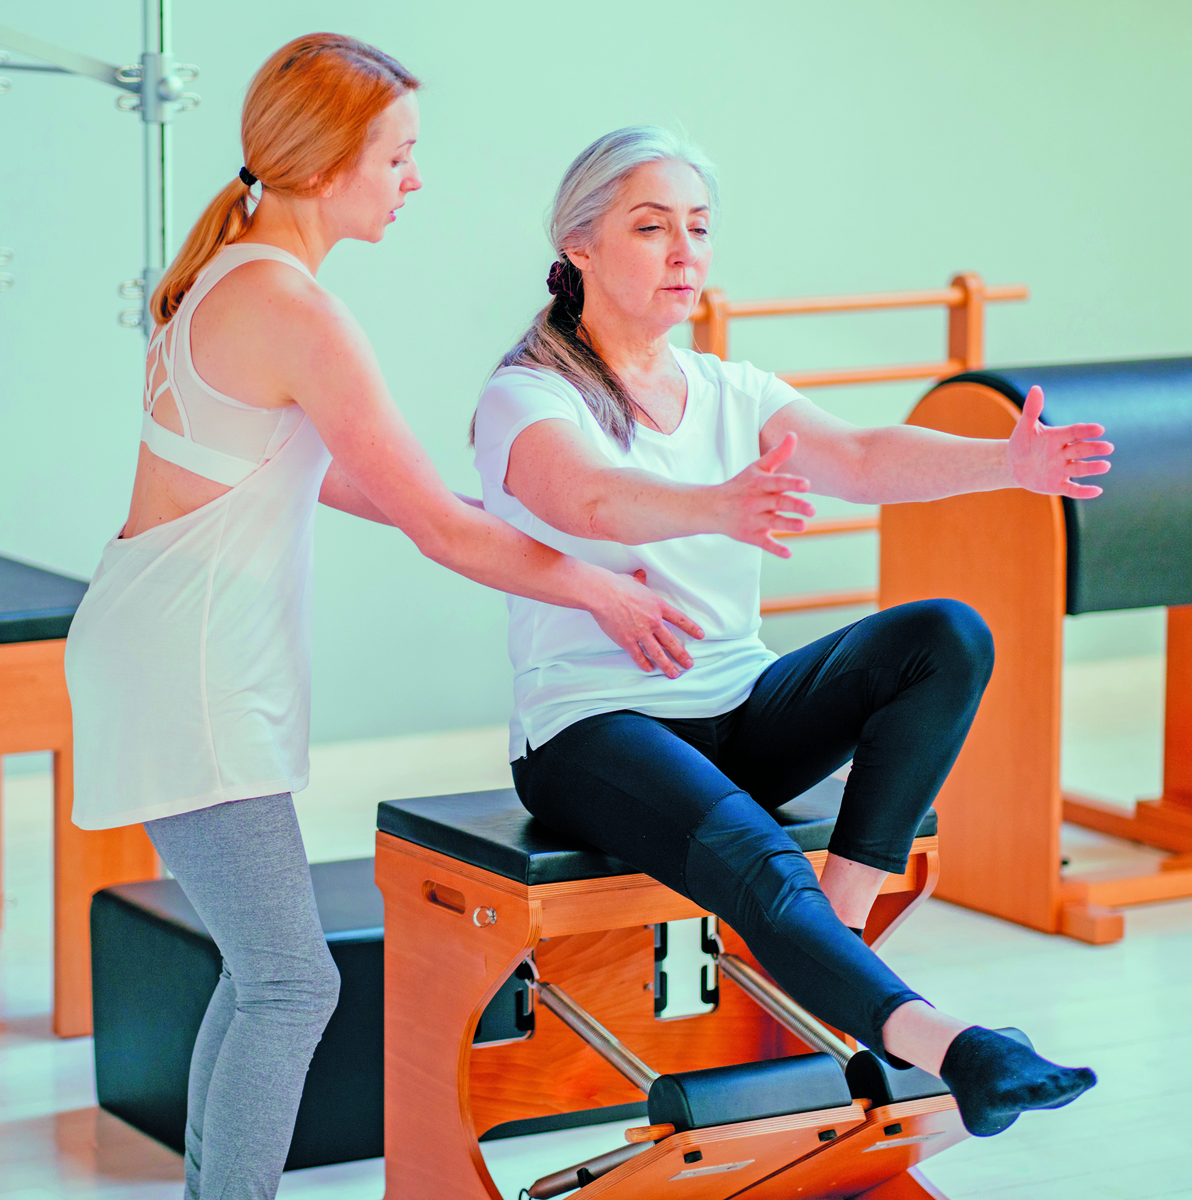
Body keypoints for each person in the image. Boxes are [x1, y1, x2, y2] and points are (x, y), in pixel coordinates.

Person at [64, 43, 702, 1200]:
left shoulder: (234, 276)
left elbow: (347, 477)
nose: (414, 180)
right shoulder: (289, 305)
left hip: (159, 650)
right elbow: (437, 528)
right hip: (190, 670)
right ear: (326, 163)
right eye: (398, 156)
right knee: (291, 984)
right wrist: (603, 586)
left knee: (258, 975)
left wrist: (517, 524)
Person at [471, 126, 1106, 1138]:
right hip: (591, 730)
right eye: (651, 227)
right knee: (760, 857)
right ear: (579, 242)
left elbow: (858, 455)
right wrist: (712, 508)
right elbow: (586, 499)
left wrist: (1007, 466)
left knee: (945, 635)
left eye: (700, 229)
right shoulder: (527, 394)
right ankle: (954, 1047)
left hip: (738, 707)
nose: (685, 251)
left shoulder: (729, 388)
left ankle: (840, 920)